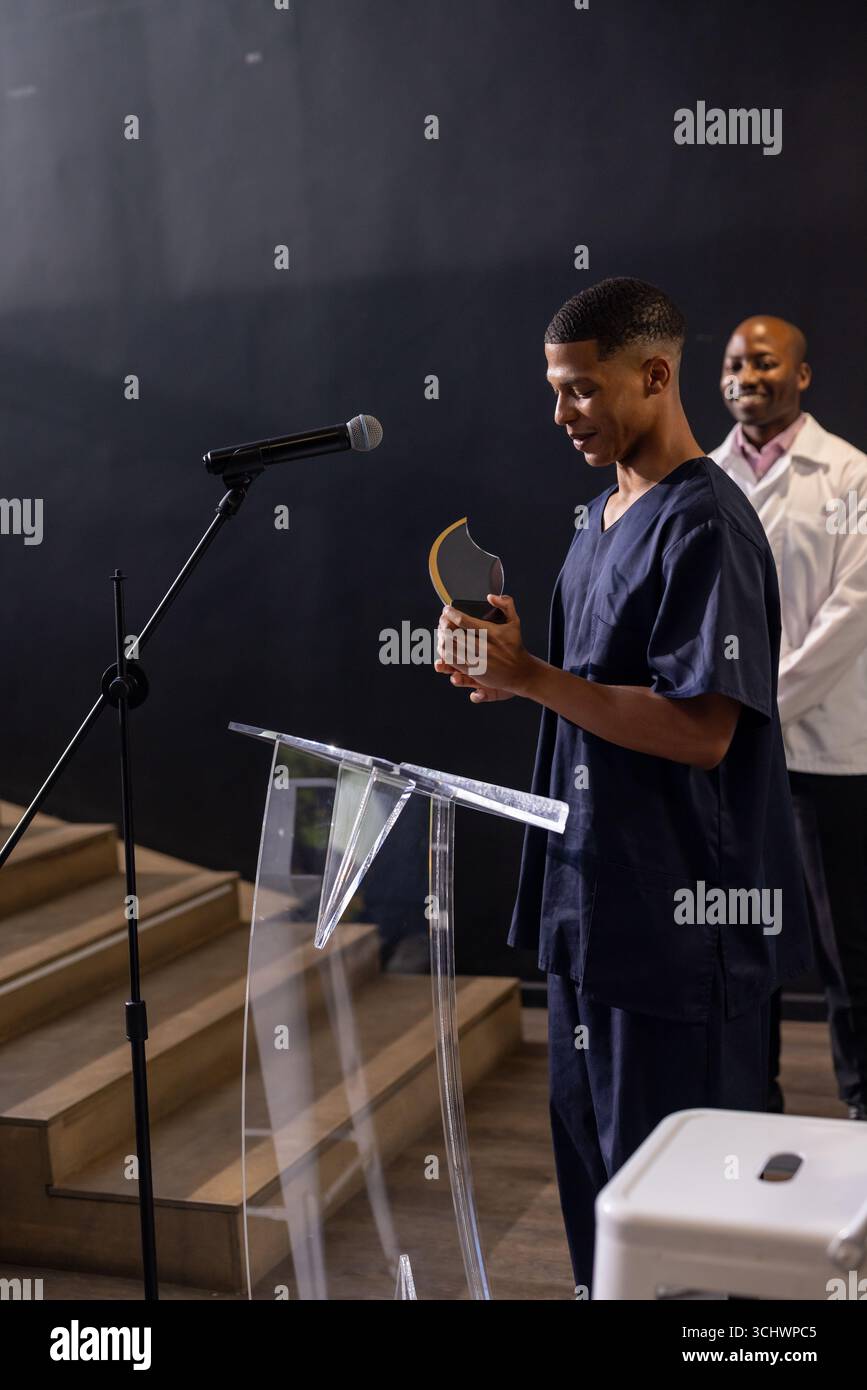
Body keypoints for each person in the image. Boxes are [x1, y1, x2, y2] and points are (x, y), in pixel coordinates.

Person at [434, 277, 812, 1294]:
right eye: (555, 392)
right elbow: (591, 692)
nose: (562, 415)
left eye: (580, 391)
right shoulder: (600, 517)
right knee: (604, 1213)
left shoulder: (708, 526)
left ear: (653, 375)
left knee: (687, 1240)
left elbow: (700, 731)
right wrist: (505, 668)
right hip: (589, 916)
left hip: (678, 936)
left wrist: (537, 678)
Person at [711, 316, 867, 1121]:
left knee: (850, 946)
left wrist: (757, 707)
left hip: (824, 752)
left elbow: (852, 611)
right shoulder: (699, 476)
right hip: (729, 750)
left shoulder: (849, 475)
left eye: (764, 362)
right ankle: (747, 1104)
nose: (746, 374)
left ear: (800, 376)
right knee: (743, 937)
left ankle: (862, 1101)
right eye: (734, 362)